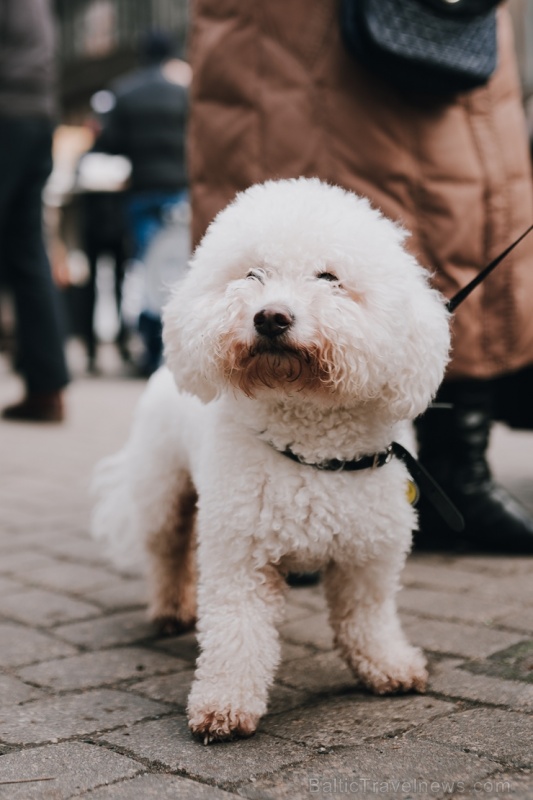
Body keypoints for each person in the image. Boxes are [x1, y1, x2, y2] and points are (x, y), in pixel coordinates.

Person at [185, 1, 533, 552]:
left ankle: (455, 466)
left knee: (459, 221)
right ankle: (275, 514)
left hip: (444, 36)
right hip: (290, 37)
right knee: (292, 221)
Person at [93, 32, 190, 376]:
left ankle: (151, 352)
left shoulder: (124, 91)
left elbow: (109, 143)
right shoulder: (183, 92)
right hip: (180, 193)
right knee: (178, 268)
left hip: (141, 193)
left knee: (147, 271)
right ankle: (174, 353)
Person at [0, 0, 69, 422]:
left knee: (26, 253)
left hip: (5, 111)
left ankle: (46, 388)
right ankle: (47, 388)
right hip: (39, 114)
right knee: (27, 254)